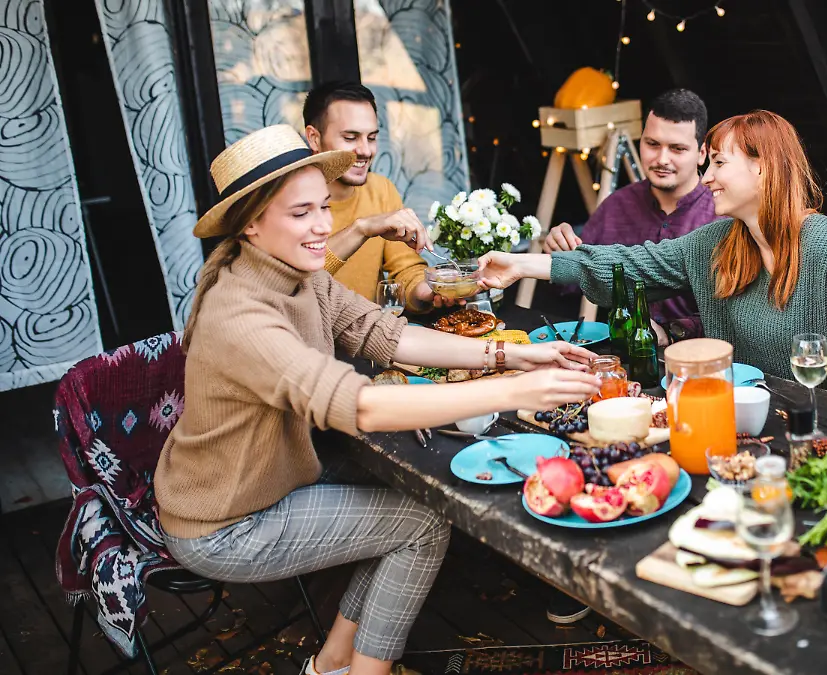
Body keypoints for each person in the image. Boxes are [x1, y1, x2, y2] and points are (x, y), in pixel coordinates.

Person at [155, 125, 600, 675]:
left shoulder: (296, 273)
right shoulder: (240, 313)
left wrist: (507, 356)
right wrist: (515, 390)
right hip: (227, 522)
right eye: (301, 214)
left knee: (413, 504)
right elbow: (360, 405)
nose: (323, 226)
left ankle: (335, 663)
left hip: (274, 483)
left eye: (323, 207)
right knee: (422, 523)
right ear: (250, 222)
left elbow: (382, 335)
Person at [477, 110, 827, 403]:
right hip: (743, 422)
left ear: (763, 166)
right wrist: (521, 264)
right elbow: (629, 267)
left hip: (816, 433)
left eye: (719, 164)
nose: (706, 178)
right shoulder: (716, 241)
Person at [543, 89, 714, 343]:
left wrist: (673, 330)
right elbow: (575, 280)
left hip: (702, 356)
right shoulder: (617, 205)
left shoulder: (720, 212)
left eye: (677, 149)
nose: (661, 159)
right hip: (625, 352)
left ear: (702, 153)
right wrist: (559, 247)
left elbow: (734, 315)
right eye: (652, 144)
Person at [302, 81, 455, 310]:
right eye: (350, 137)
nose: (365, 150)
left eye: (371, 137)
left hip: (370, 337)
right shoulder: (287, 200)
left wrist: (430, 289)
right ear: (314, 138)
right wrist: (361, 228)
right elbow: (292, 283)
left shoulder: (381, 190)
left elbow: (405, 270)